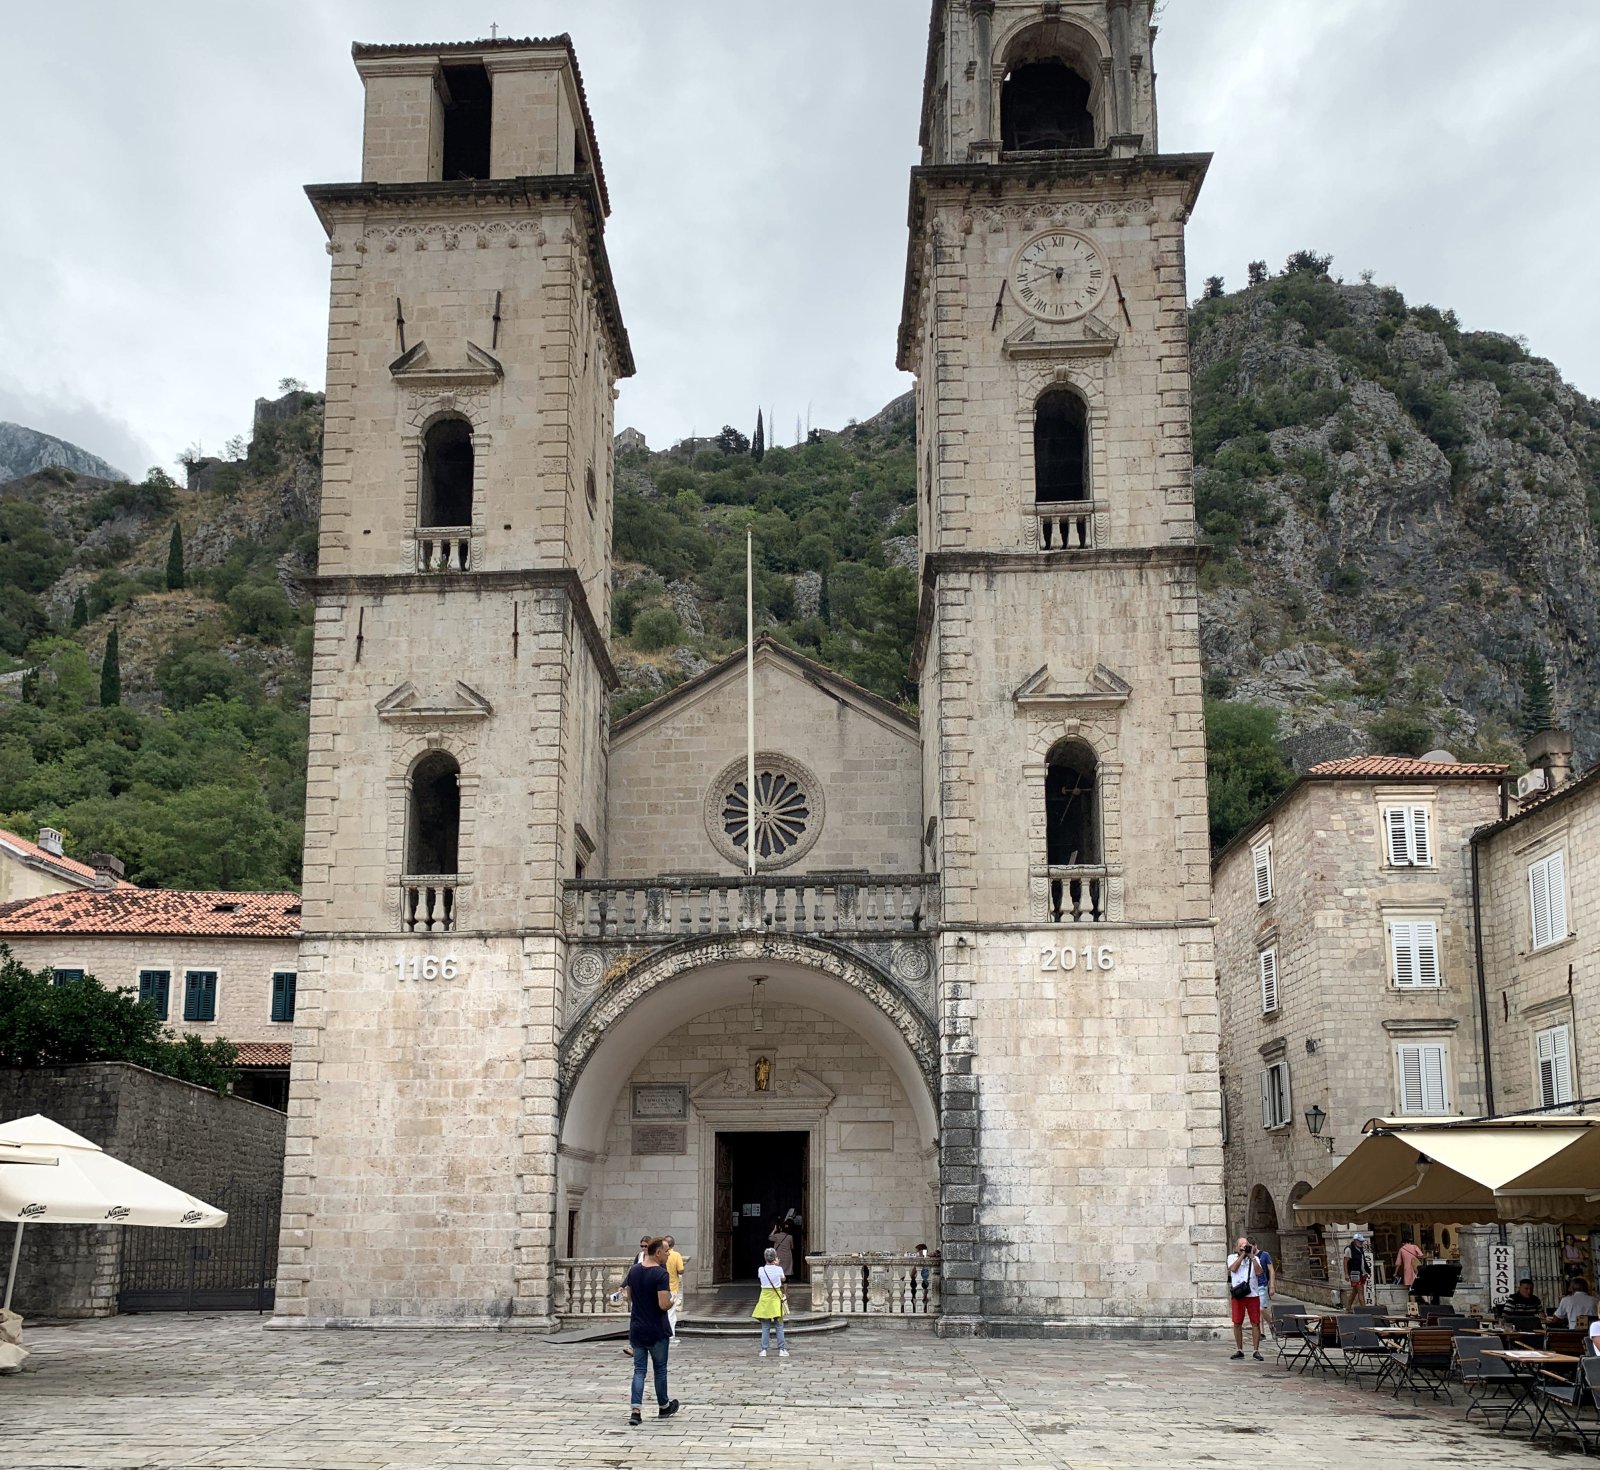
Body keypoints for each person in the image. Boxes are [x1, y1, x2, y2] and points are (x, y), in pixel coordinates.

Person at [621, 1237, 679, 1426]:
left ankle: (636, 1411)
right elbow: (663, 1304)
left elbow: (629, 1297)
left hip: (637, 1327)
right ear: (657, 1253)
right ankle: (663, 1405)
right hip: (656, 1328)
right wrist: (673, 1301)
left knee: (639, 1370)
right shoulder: (660, 1274)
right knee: (660, 1369)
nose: (668, 1253)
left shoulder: (634, 1270)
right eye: (666, 1251)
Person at [1226, 1237, 1264, 1361]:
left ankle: (1256, 1350)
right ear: (1237, 1247)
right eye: (1241, 1245)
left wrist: (1252, 1256)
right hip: (1238, 1295)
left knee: (1255, 1322)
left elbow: (1259, 1272)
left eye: (1246, 1244)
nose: (1244, 1247)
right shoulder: (1232, 1258)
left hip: (1252, 1294)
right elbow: (1233, 1269)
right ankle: (1239, 1349)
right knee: (1237, 1322)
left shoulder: (1255, 1258)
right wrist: (1242, 1255)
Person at [752, 1246, 790, 1358]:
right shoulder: (779, 1269)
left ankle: (764, 1349)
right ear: (775, 1258)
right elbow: (783, 1279)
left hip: (764, 1298)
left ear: (765, 1258)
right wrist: (777, 1266)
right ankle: (782, 1349)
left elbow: (761, 1277)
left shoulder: (761, 1269)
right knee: (779, 1326)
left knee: (765, 1326)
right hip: (776, 1298)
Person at [663, 1234, 686, 1333]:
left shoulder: (660, 1255)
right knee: (671, 1312)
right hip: (672, 1287)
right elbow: (680, 1270)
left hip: (660, 1288)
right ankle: (670, 1334)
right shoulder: (676, 1255)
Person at [1344, 1233, 1370, 1310]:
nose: (1361, 1243)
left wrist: (1367, 1271)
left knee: (1354, 1292)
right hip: (1354, 1273)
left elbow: (1362, 1261)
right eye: (1359, 1241)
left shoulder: (1360, 1249)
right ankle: (1364, 1309)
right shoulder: (1349, 1249)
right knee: (1360, 1290)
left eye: (1362, 1241)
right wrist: (1346, 1274)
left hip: (1361, 1273)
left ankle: (1348, 1308)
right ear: (1355, 1241)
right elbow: (1345, 1261)